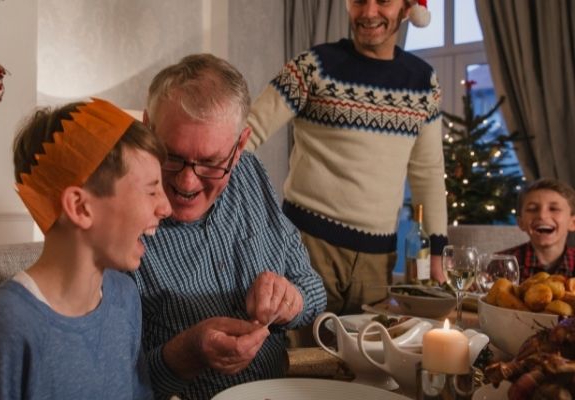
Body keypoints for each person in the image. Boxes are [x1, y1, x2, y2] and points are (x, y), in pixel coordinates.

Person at [0, 99, 171, 399]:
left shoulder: (125, 299)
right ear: (79, 206)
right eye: (151, 190)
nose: (166, 207)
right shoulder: (1, 329)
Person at [131, 54, 326, 399]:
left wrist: (291, 301)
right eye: (171, 156)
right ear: (147, 128)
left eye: (210, 163)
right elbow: (117, 382)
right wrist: (187, 354)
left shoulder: (251, 174)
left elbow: (312, 288)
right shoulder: (120, 220)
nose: (188, 183)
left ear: (239, 147)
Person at [246, 0, 448, 316]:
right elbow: (247, 134)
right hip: (306, 247)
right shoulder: (313, 66)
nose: (368, 12)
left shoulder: (424, 83)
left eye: (382, 1)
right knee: (302, 360)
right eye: (358, 1)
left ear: (407, 8)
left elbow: (429, 171)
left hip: (378, 260)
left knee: (365, 360)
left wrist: (437, 252)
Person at [499, 178, 575, 280]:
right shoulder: (500, 263)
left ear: (573, 223)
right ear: (521, 223)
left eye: (553, 209)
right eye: (532, 209)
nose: (542, 216)